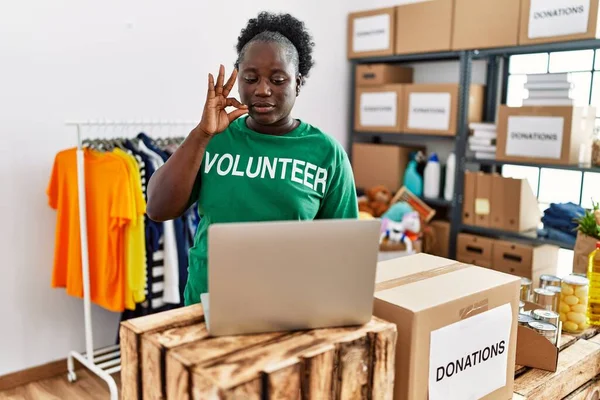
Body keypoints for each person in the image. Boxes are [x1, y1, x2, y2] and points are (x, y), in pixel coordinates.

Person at [146, 11, 359, 306]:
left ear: (297, 83)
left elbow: (343, 252)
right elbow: (158, 208)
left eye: (277, 79)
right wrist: (202, 133)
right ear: (238, 80)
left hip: (287, 309)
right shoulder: (213, 139)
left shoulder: (326, 154)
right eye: (251, 78)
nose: (262, 89)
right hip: (206, 305)